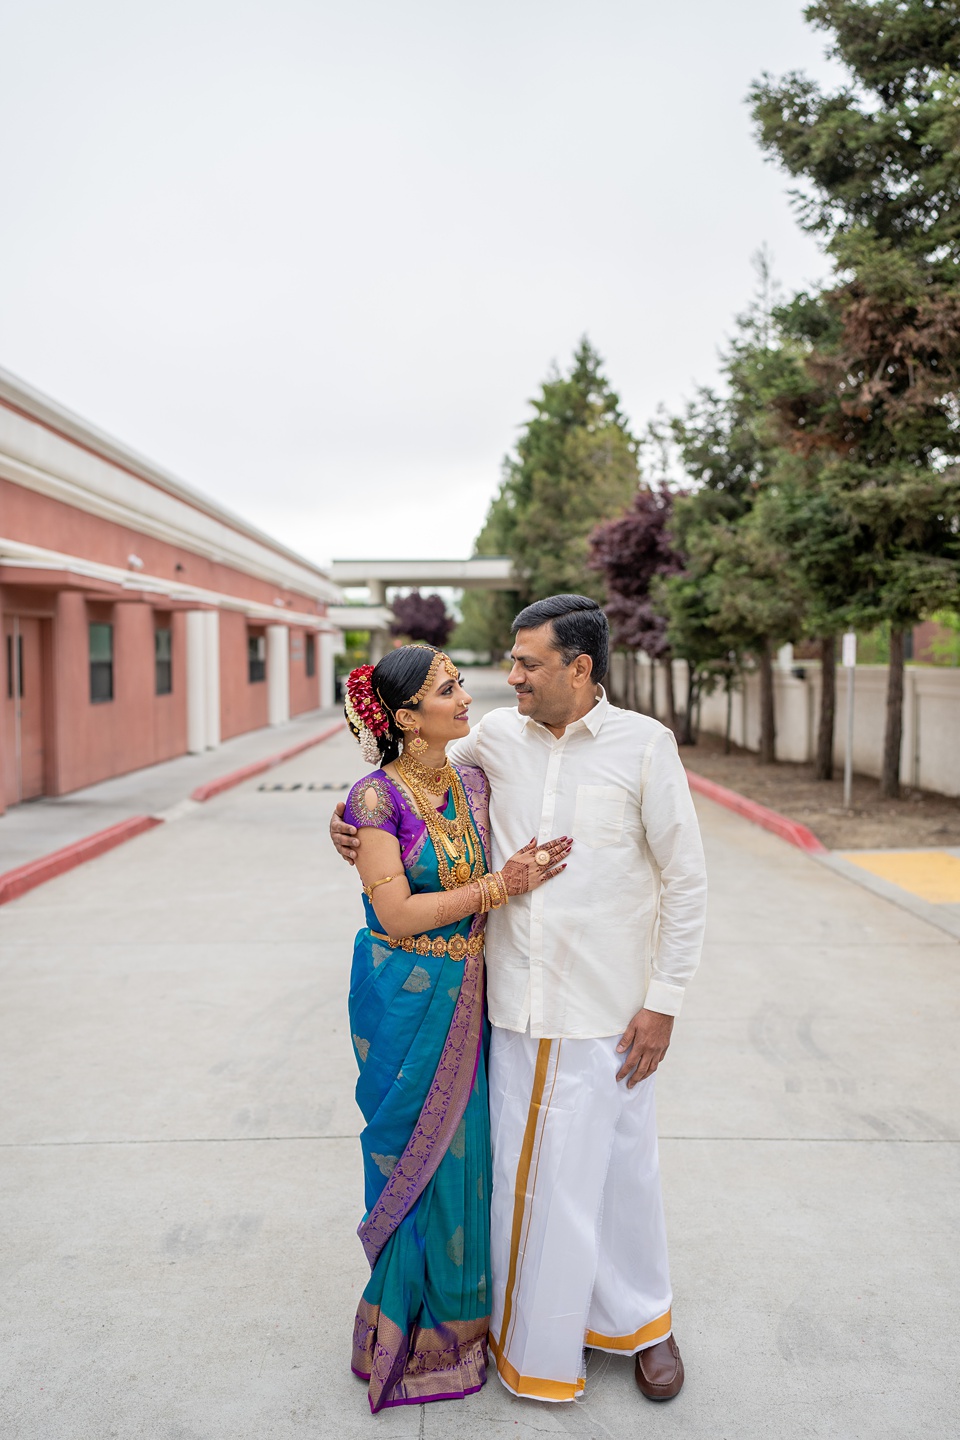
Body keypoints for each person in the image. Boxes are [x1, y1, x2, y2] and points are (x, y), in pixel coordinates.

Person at [333, 596, 708, 1406]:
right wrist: (350, 821)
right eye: (508, 663)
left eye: (528, 663)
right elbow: (407, 774)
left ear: (579, 667)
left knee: (619, 1173)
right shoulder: (497, 736)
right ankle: (529, 1329)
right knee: (516, 1180)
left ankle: (645, 1325)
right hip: (506, 1007)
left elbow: (686, 879)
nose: (510, 679)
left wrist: (665, 1001)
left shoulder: (645, 747)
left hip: (609, 1012)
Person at [340, 643, 571, 1413]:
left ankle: (462, 1330)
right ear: (408, 718)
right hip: (407, 999)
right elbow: (396, 912)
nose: (465, 695)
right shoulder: (375, 800)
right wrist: (499, 888)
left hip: (468, 995)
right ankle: (400, 1330)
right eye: (449, 688)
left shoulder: (471, 781)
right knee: (413, 1150)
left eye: (461, 682)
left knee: (465, 1152)